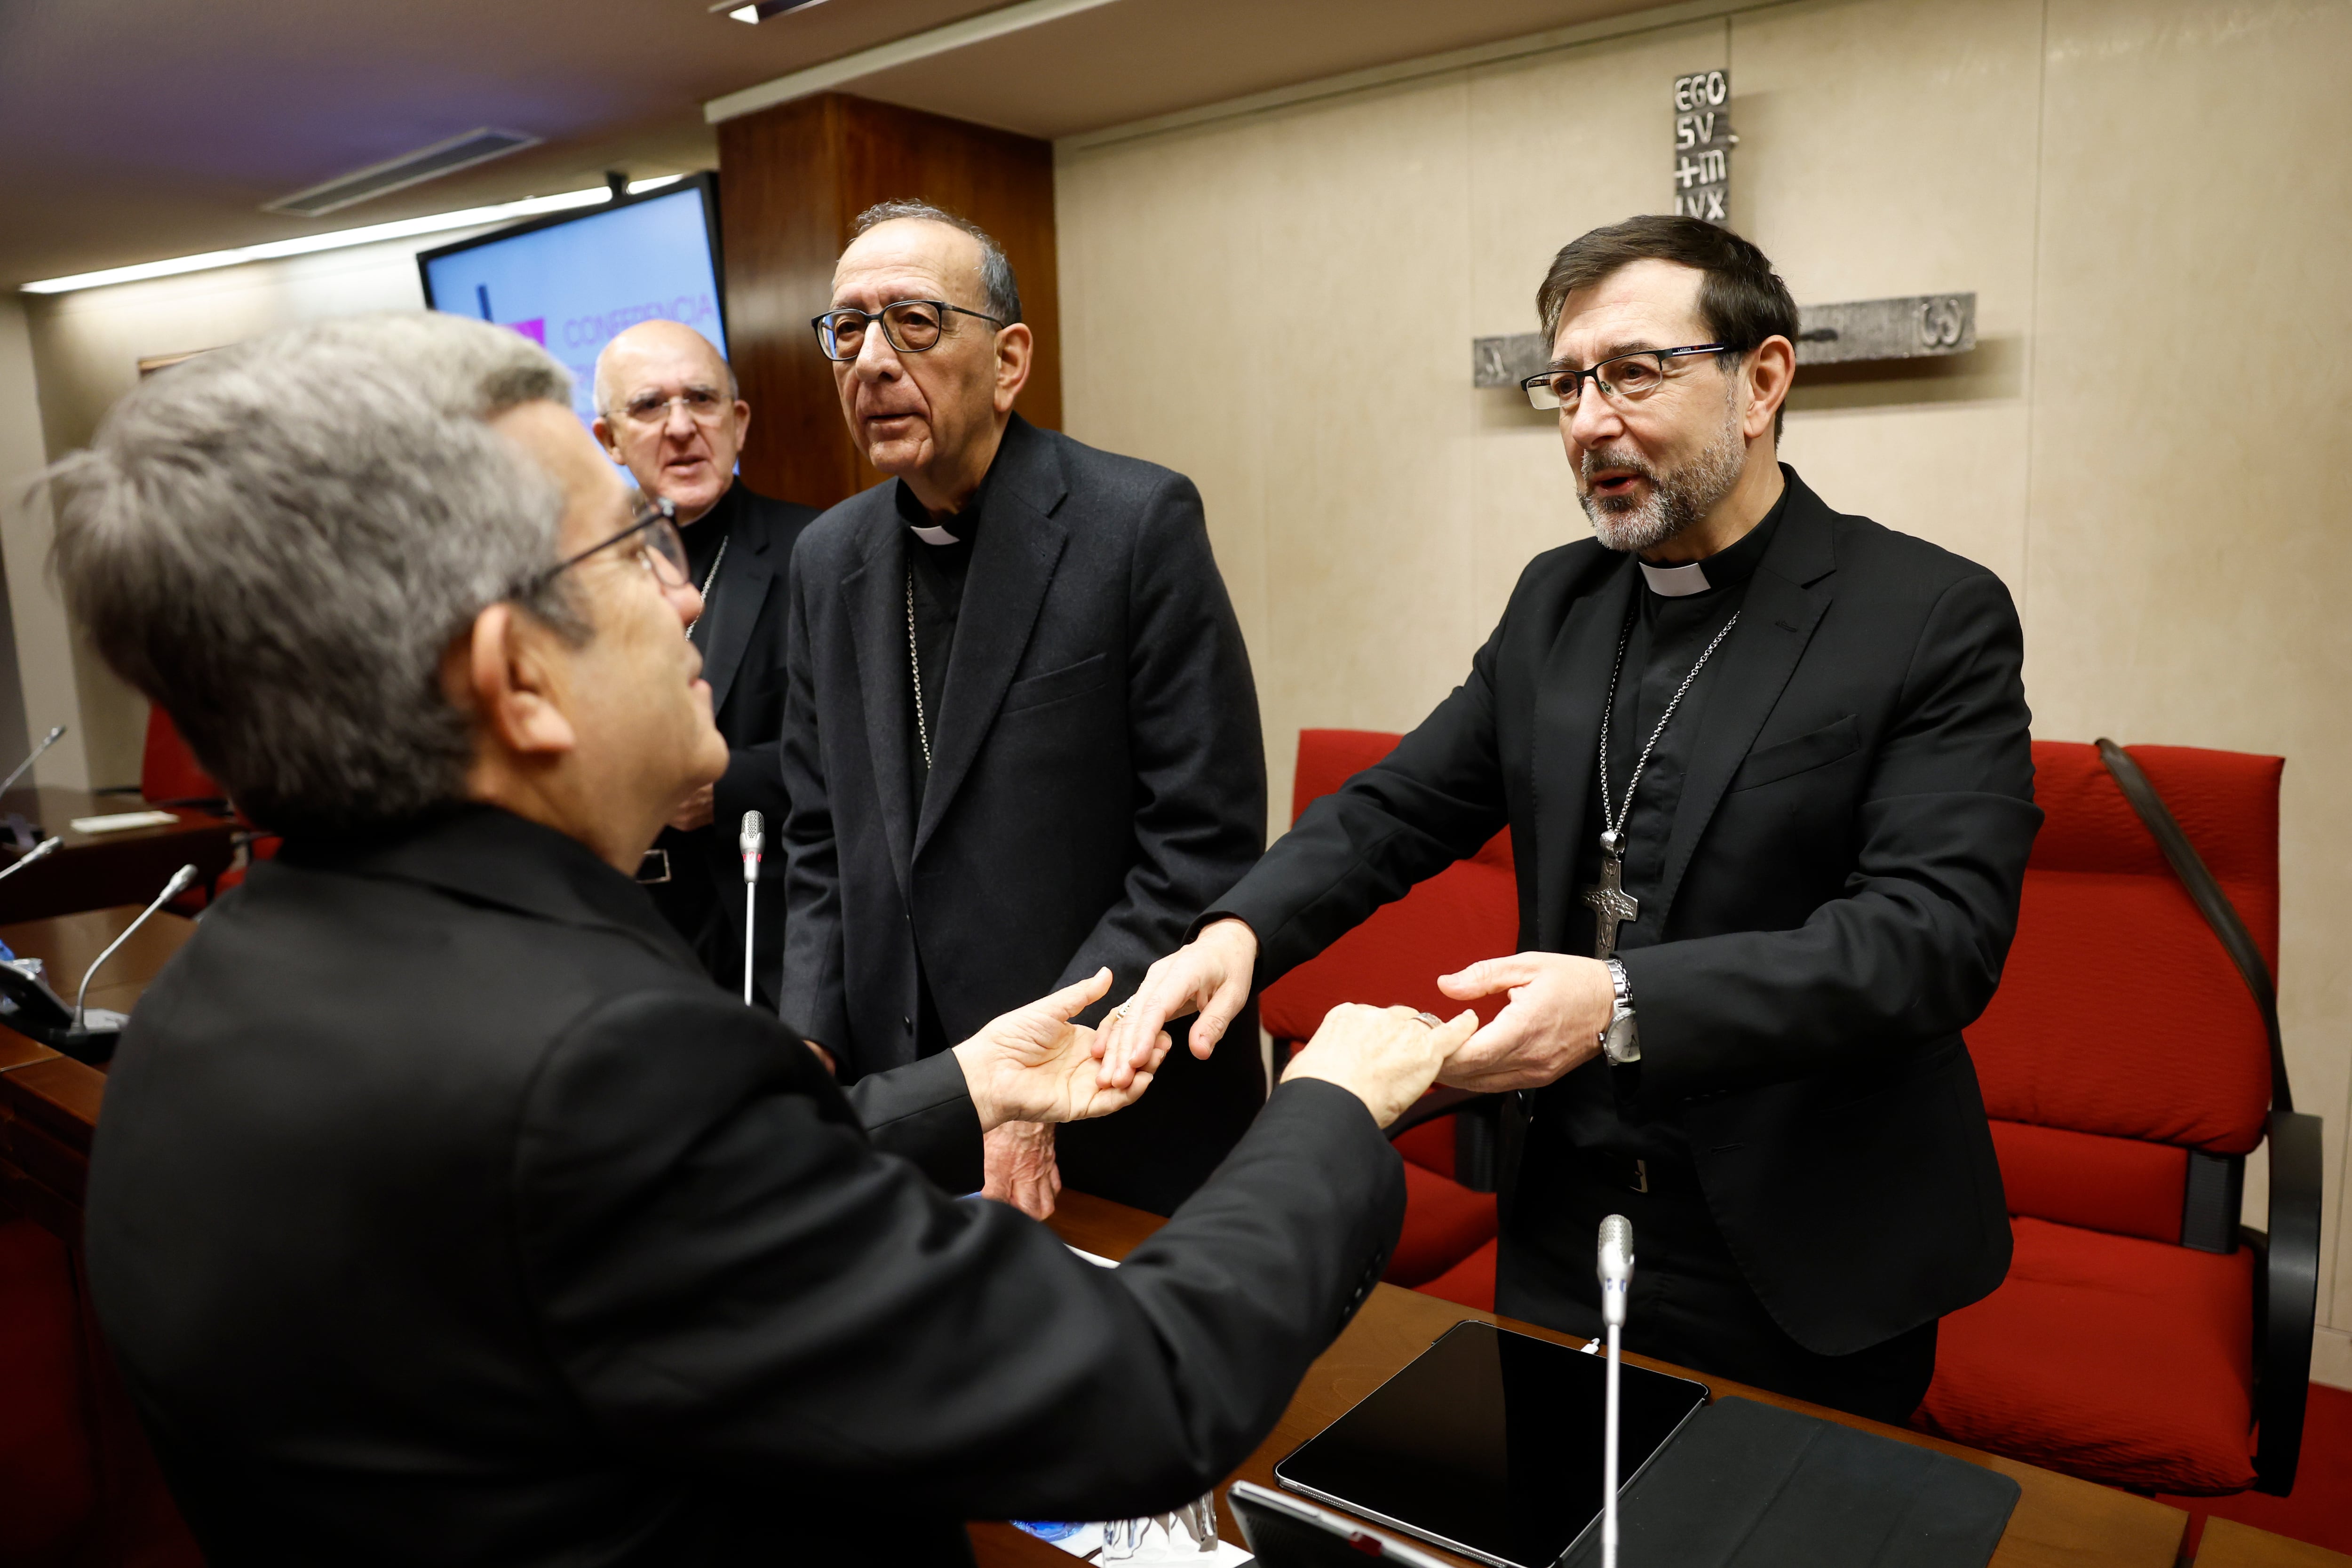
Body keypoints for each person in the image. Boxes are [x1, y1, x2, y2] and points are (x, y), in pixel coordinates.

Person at [55, 312, 1479, 1566]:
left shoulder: (200, 1003)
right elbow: (1143, 1392)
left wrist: (963, 1081)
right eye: (629, 546)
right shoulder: (610, 1060)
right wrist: (1331, 1111)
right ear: (517, 679)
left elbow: (619, 1238)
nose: (689, 595)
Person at [1100, 216, 2042, 1425]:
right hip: (1562, 1215)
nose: (1589, 419)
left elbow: (1933, 936)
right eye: (1567, 383)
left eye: (1635, 373)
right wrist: (1235, 932)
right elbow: (1399, 804)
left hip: (1804, 1239)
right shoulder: (1558, 600)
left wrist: (1620, 1004)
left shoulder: (1926, 611)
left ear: (1761, 381)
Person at [782, 200, 1266, 1216]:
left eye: (912, 321)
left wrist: (1042, 1072)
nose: (870, 360)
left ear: (1007, 361)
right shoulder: (827, 557)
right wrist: (811, 1039)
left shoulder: (1135, 523)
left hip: (1116, 1093)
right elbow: (819, 836)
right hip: (914, 1099)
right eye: (846, 328)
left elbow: (1196, 842)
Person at [592, 319, 816, 1007]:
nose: (681, 426)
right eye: (650, 406)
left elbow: (880, 753)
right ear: (610, 440)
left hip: (773, 929)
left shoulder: (817, 551)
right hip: (626, 939)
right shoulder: (581, 573)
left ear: (739, 422)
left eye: (702, 399)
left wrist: (727, 786)